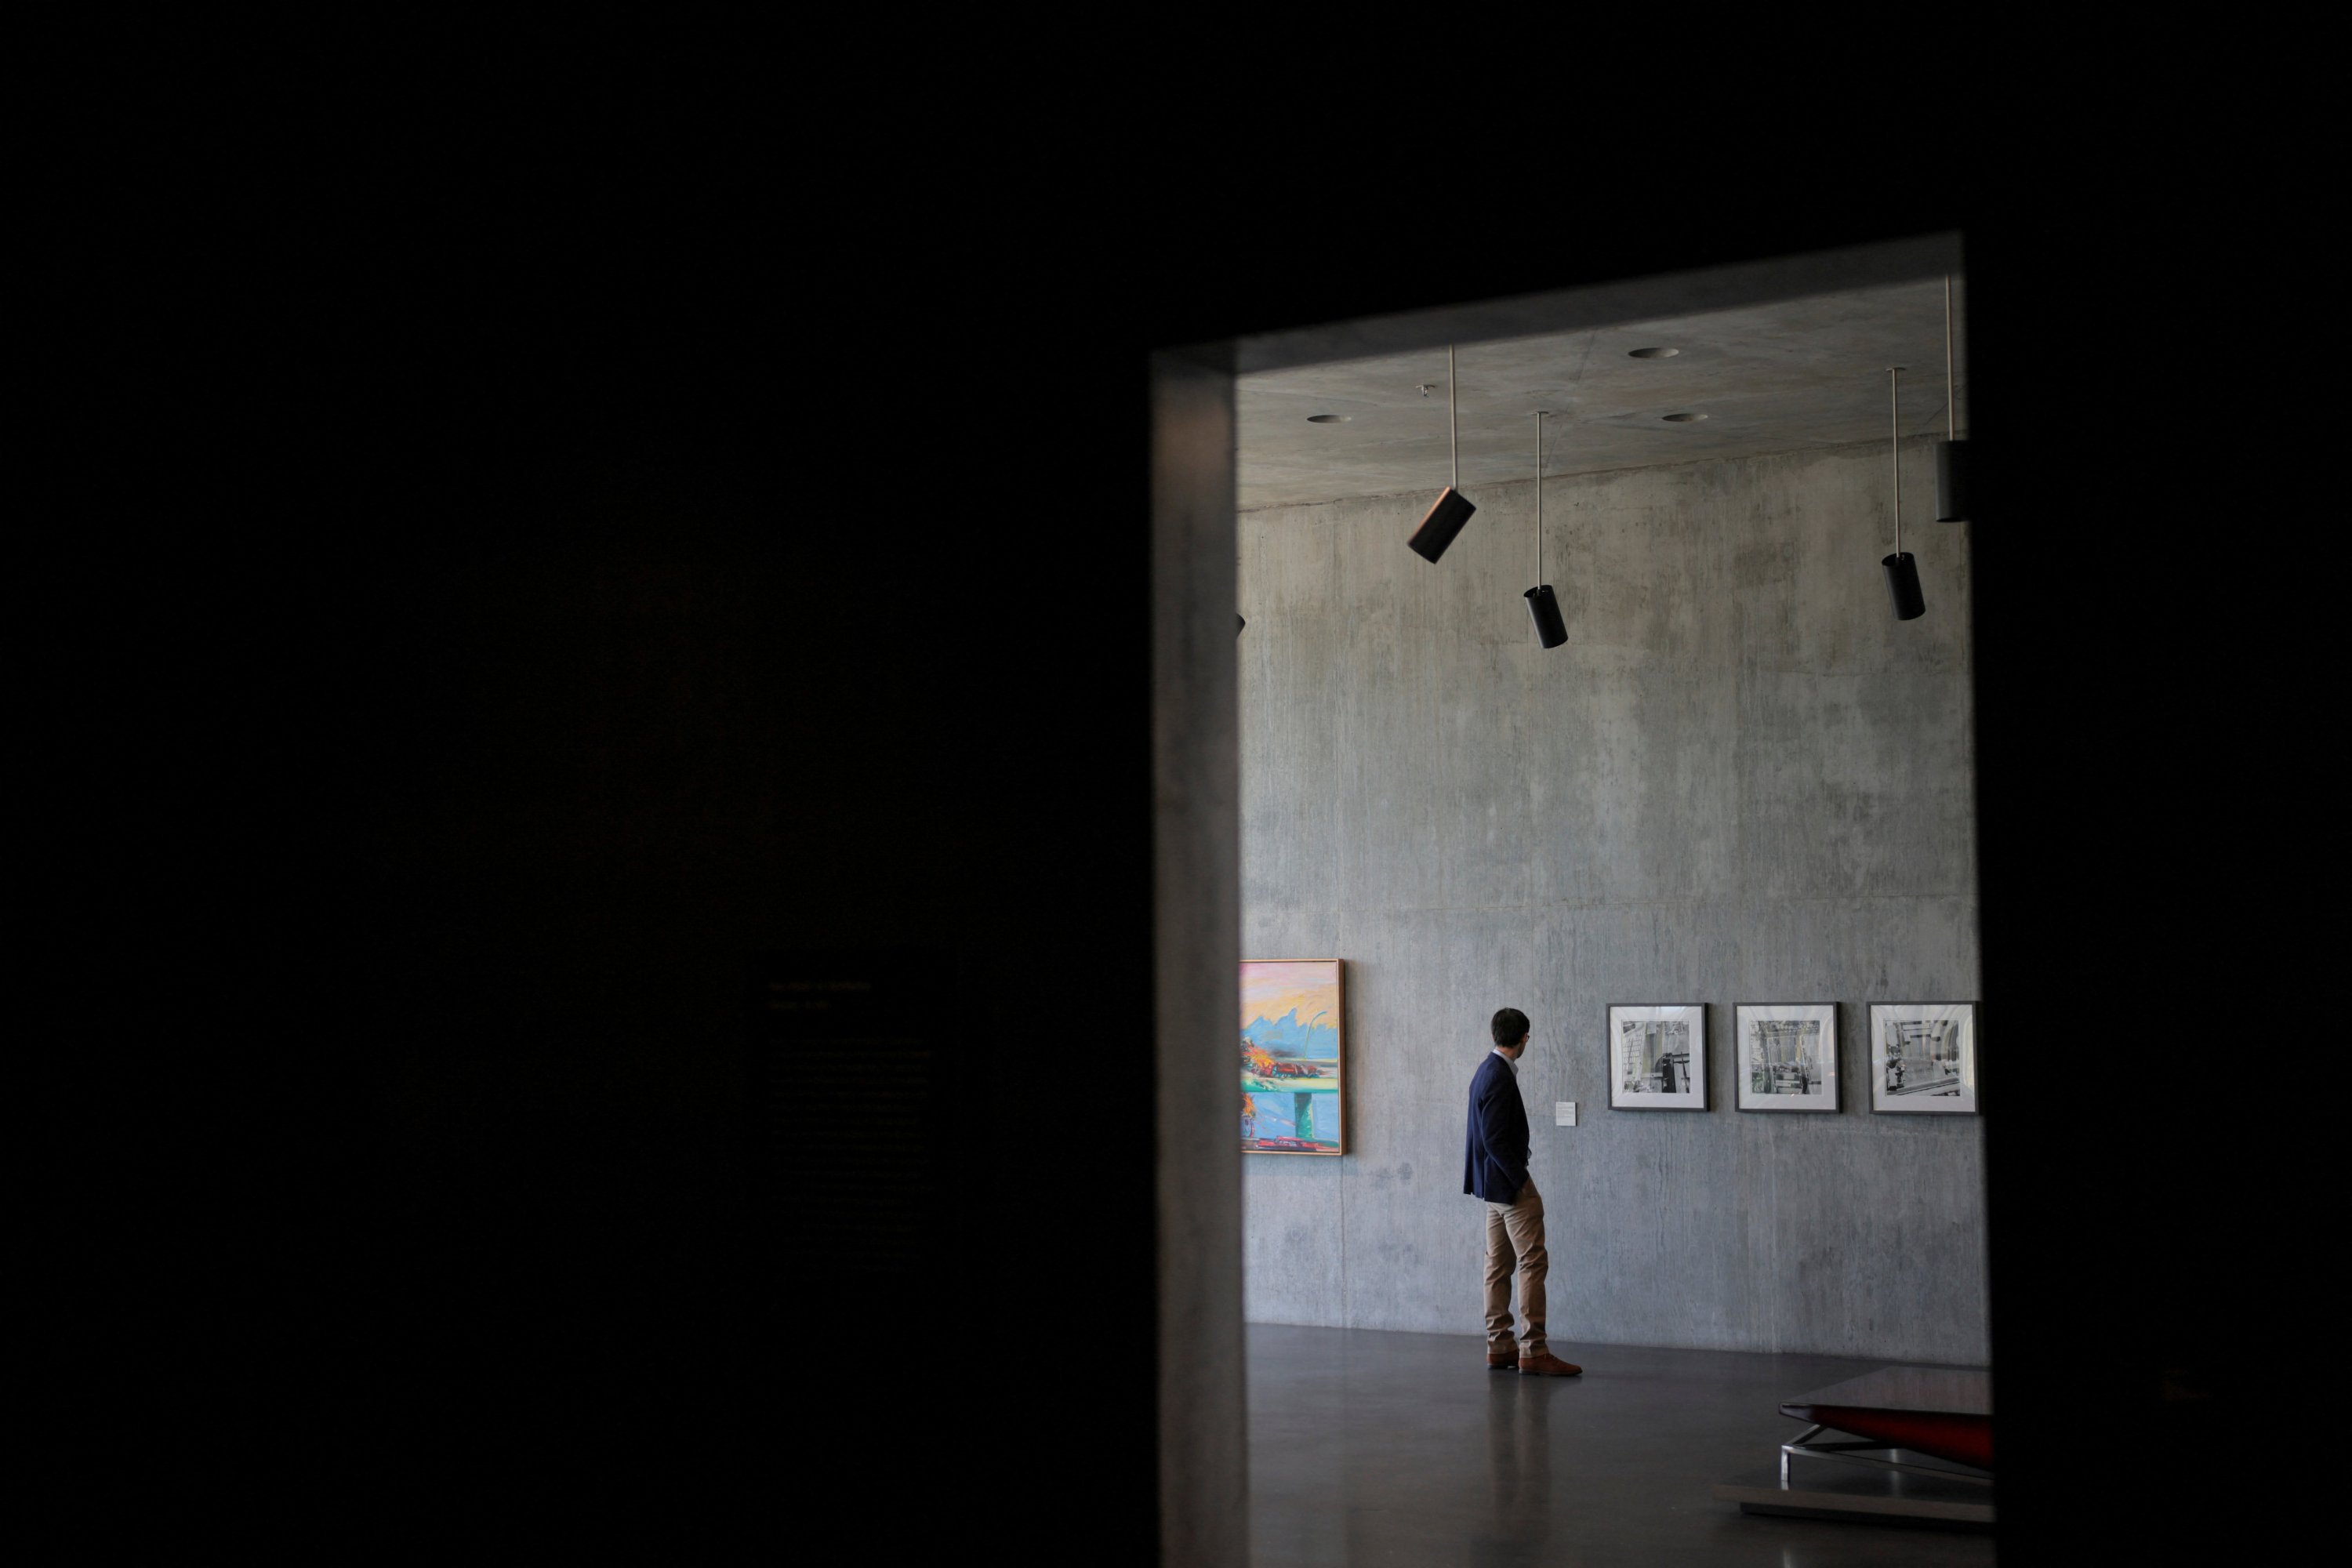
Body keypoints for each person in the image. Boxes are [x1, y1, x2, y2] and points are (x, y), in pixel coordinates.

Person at [1463, 1007, 1582, 1377]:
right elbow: (1494, 1138)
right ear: (1524, 1038)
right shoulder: (1499, 1076)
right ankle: (1534, 1350)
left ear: (1494, 1034)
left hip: (1492, 1188)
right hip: (1508, 1188)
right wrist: (1519, 1179)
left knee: (1497, 1265)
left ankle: (1500, 1346)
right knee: (1532, 1263)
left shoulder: (1485, 1070)